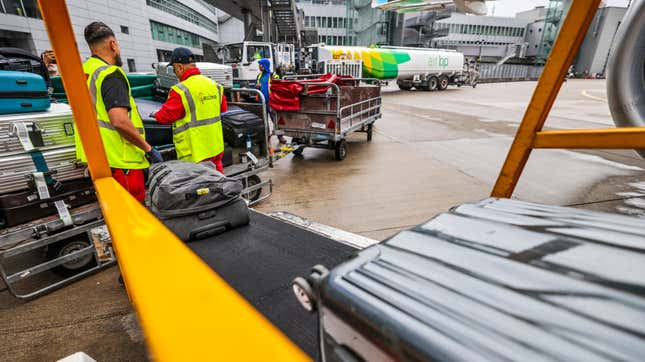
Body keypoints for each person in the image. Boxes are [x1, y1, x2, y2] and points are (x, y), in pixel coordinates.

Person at [79, 22, 161, 202]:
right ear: (113, 44)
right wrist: (148, 148)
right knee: (134, 217)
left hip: (98, 158)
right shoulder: (110, 74)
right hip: (121, 161)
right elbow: (119, 121)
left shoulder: (84, 71)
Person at [152, 47, 228, 173]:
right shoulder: (214, 85)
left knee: (200, 188)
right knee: (218, 182)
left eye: (174, 69)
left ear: (180, 67)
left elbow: (166, 116)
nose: (175, 73)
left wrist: (155, 114)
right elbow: (222, 108)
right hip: (216, 146)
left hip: (195, 152)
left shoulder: (180, 90)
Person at [255, 59, 285, 143]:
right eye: (259, 65)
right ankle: (266, 136)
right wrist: (256, 86)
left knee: (275, 120)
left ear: (265, 65)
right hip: (262, 102)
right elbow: (255, 86)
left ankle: (280, 136)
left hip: (271, 102)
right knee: (264, 121)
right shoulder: (259, 76)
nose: (260, 66)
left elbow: (279, 86)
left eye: (261, 64)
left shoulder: (273, 75)